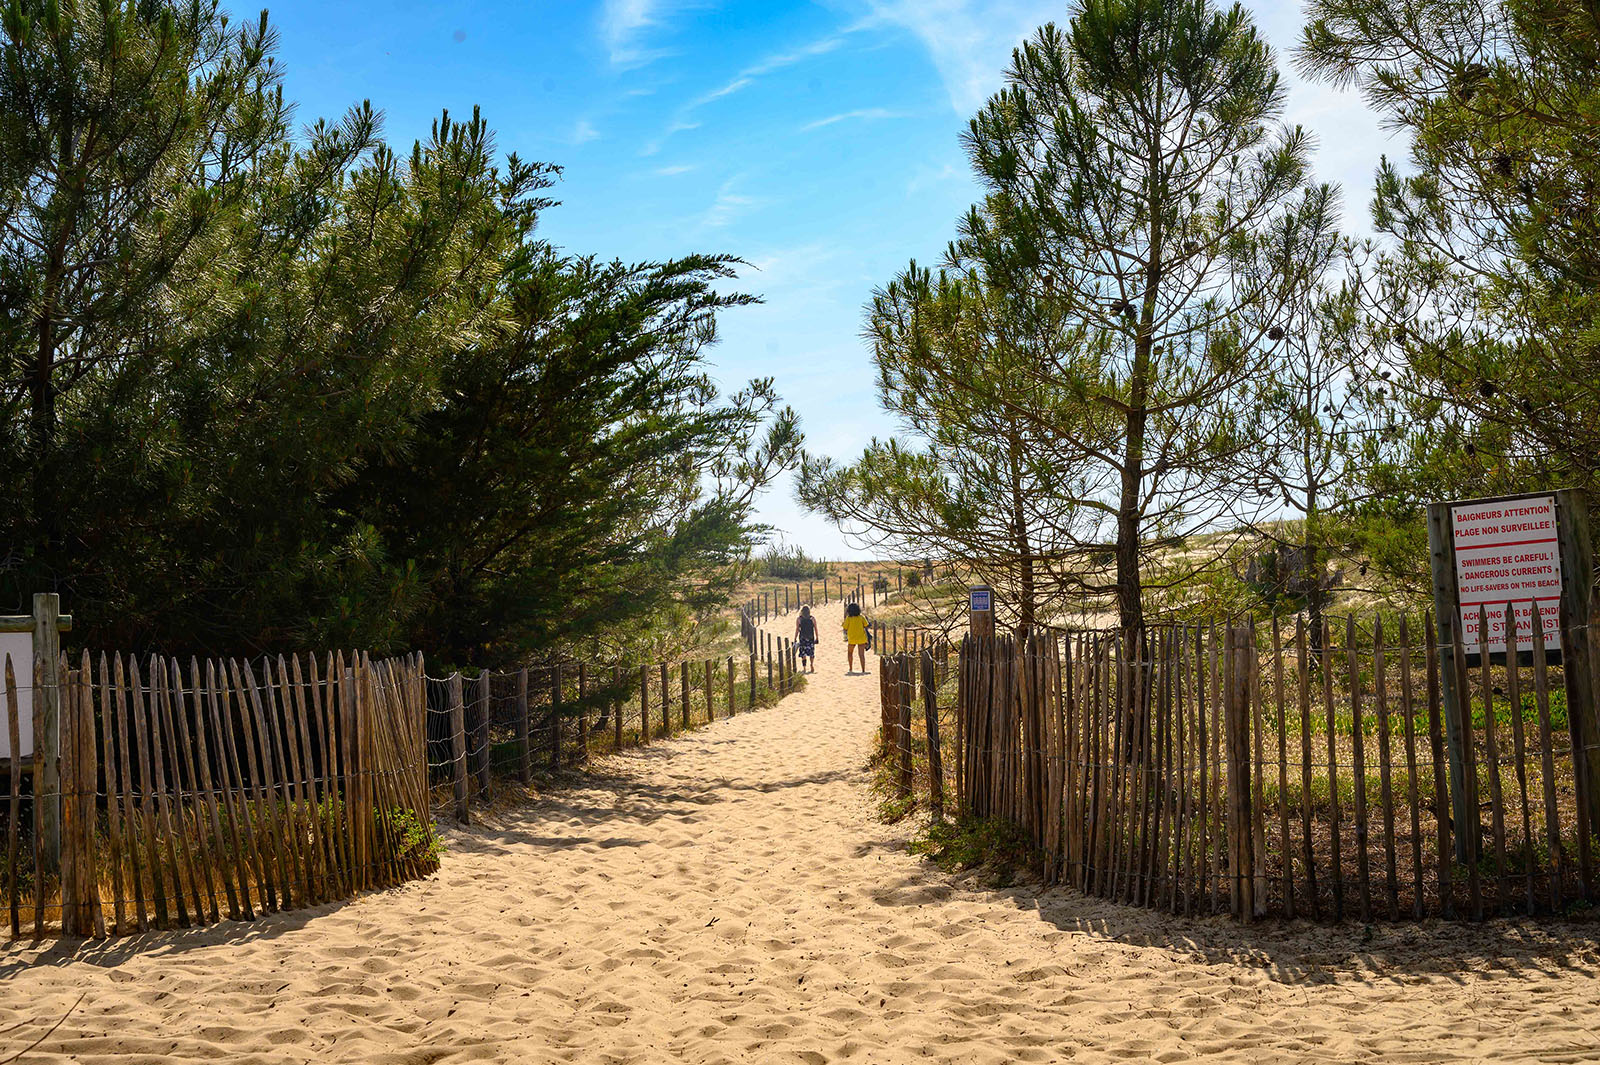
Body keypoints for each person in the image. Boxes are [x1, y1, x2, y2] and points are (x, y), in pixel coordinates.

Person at [842, 601, 870, 674]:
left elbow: (845, 628)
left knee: (850, 653)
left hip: (852, 638)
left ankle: (851, 668)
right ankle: (863, 670)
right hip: (861, 637)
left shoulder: (848, 618)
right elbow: (866, 625)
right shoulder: (861, 617)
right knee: (861, 655)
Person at [794, 605, 818, 673]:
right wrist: (817, 637)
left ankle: (804, 667)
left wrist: (795, 638)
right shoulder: (812, 618)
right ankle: (811, 665)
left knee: (803, 654)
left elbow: (797, 629)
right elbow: (815, 628)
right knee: (811, 653)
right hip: (811, 638)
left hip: (802, 638)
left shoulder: (799, 619)